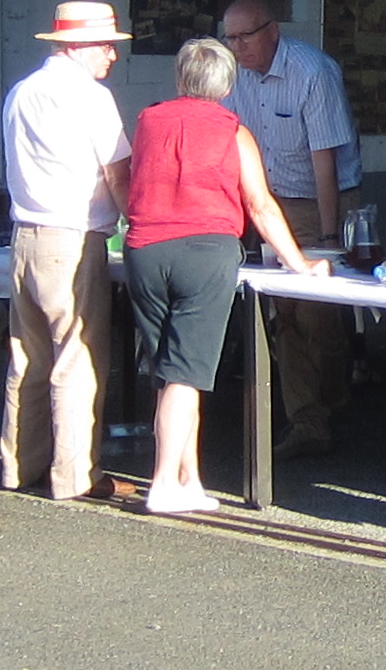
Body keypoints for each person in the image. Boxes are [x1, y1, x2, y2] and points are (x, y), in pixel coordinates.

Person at [121, 34, 327, 516]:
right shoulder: (232, 129)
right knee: (185, 375)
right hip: (204, 253)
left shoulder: (149, 120)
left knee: (171, 373)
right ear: (228, 85)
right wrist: (301, 264)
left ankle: (188, 478)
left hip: (144, 250)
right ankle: (162, 485)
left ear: (179, 78)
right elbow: (260, 204)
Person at [0, 0, 132, 506]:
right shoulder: (91, 98)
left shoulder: (21, 93)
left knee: (26, 357)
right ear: (76, 47)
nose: (111, 56)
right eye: (105, 46)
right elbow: (117, 171)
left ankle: (18, 464)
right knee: (76, 360)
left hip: (25, 235)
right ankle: (73, 475)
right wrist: (135, 221)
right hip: (74, 238)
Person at [220, 0, 362, 458]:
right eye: (230, 37)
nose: (238, 47)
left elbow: (326, 159)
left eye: (245, 36)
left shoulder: (312, 71)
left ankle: (336, 397)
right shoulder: (235, 75)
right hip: (271, 203)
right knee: (286, 318)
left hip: (324, 199)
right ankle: (307, 420)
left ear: (272, 30)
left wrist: (326, 236)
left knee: (318, 313)